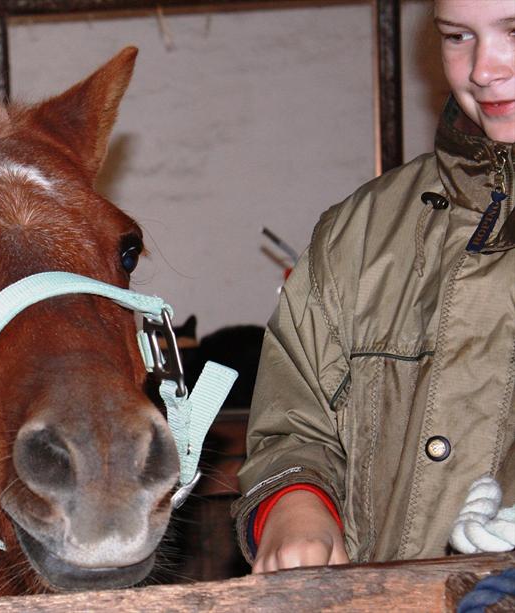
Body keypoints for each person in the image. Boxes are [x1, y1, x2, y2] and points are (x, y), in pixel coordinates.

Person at [233, 0, 515, 572]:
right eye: (458, 37)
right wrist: (296, 501)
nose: (483, 69)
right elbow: (295, 416)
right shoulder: (360, 233)